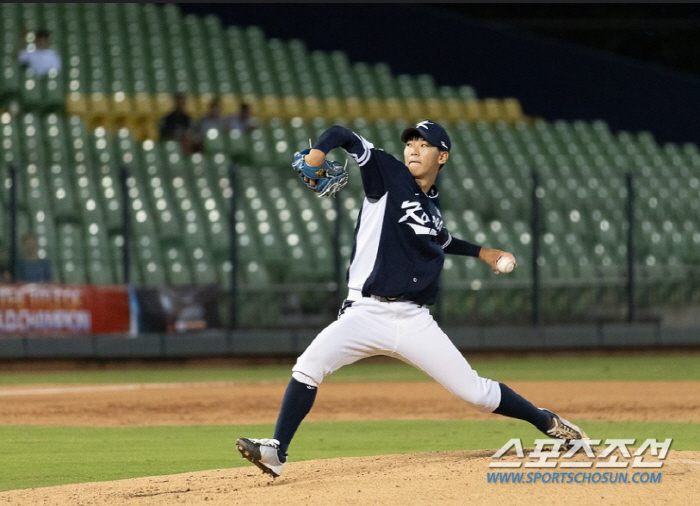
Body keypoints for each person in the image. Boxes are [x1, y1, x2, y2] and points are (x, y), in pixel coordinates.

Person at [236, 120, 588, 478]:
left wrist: (484, 253)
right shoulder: (387, 173)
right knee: (308, 366)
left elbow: (442, 239)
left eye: (424, 144)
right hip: (365, 312)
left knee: (477, 395)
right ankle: (276, 452)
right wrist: (317, 153)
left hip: (414, 320)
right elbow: (343, 134)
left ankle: (547, 422)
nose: (414, 149)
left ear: (442, 156)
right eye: (410, 143)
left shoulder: (431, 207)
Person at [159, 92, 194, 156]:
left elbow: (191, 131)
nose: (180, 105)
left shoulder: (187, 118)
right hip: (173, 142)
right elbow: (164, 134)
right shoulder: (168, 118)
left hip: (185, 141)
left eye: (182, 103)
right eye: (179, 103)